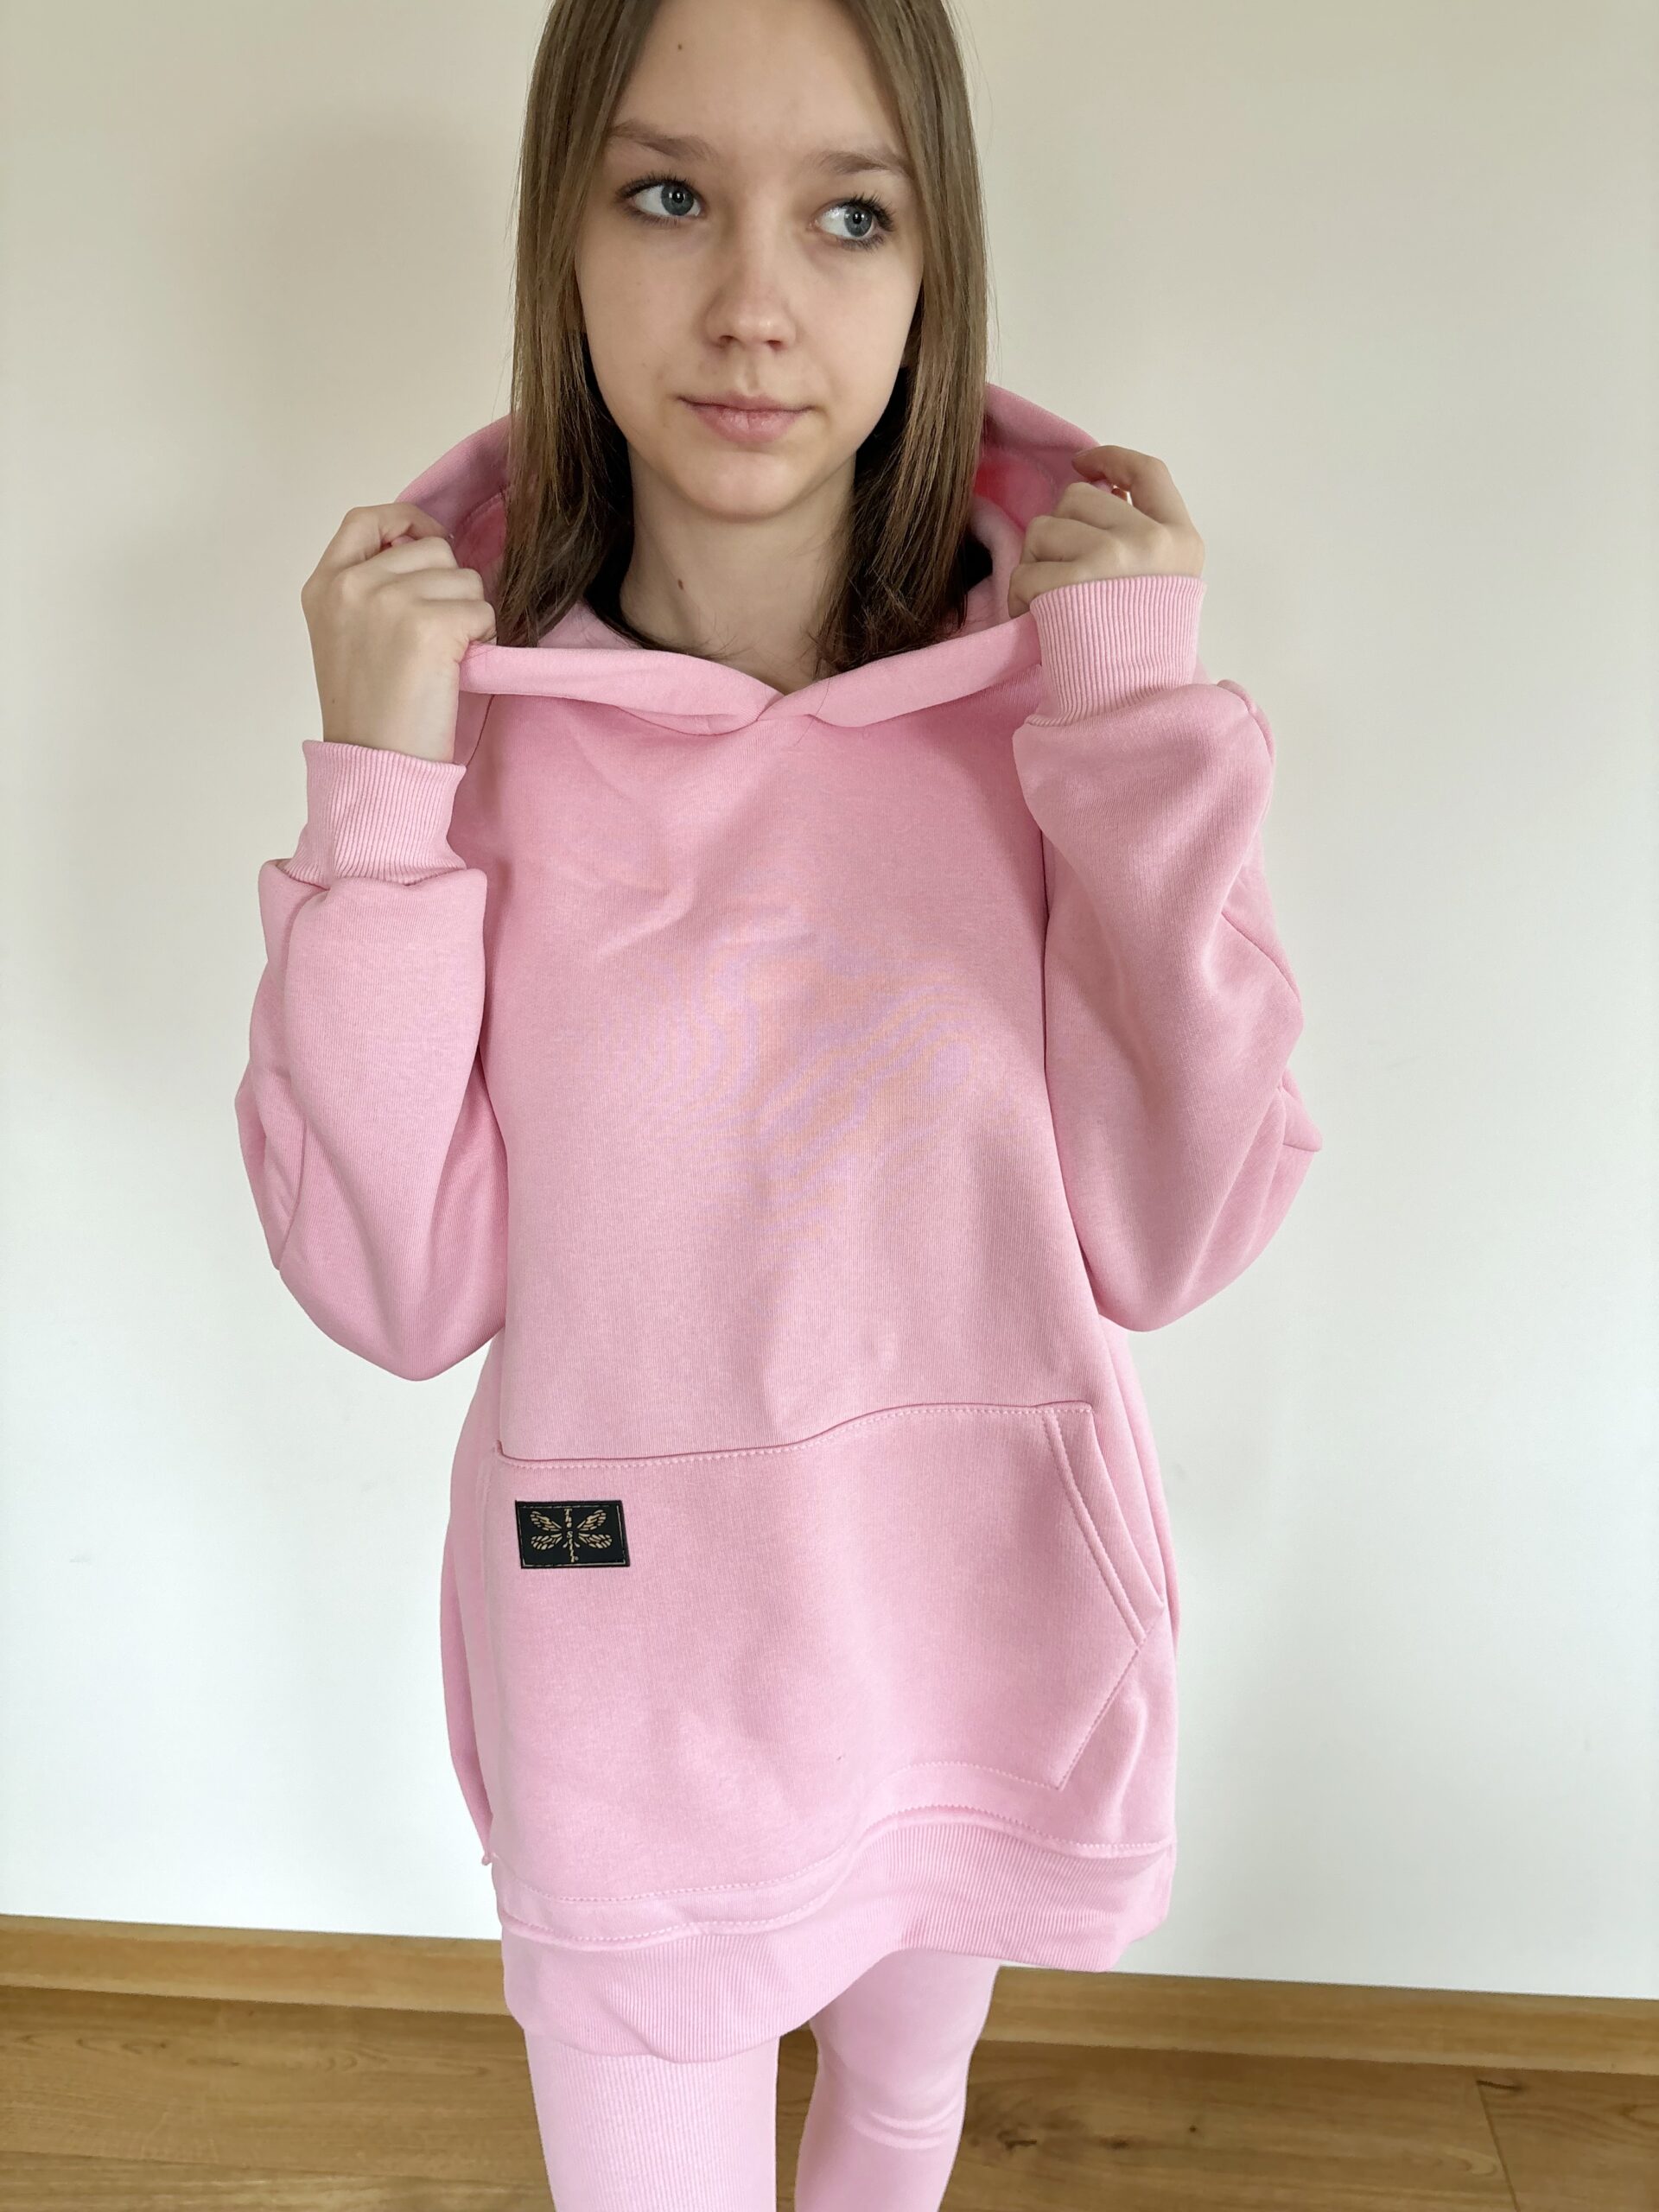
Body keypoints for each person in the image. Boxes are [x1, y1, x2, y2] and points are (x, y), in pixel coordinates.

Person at [232, 0, 1325, 2202]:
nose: (753, 303)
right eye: (668, 196)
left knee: (900, 2113)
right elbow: (398, 1284)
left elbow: (1172, 1228)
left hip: (971, 1625)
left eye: (848, 217)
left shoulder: (1060, 702)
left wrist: (1138, 730)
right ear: (563, 233)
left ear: (935, 267)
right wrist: (378, 802)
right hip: (631, 1671)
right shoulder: (462, 727)